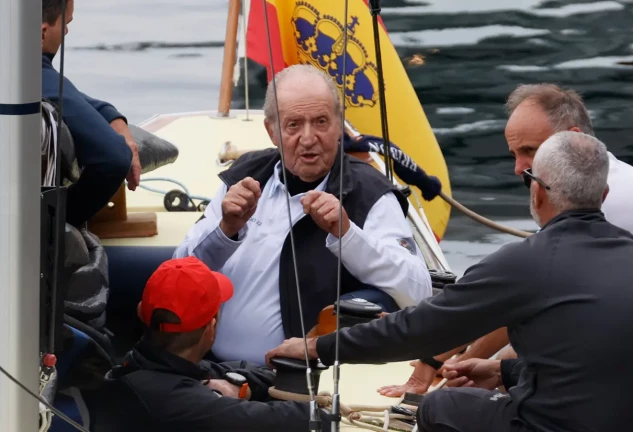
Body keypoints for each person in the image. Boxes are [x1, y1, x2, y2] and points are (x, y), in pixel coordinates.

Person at [266, 131, 633, 432]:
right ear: (602, 197)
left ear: (536, 192)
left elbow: (419, 330)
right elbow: (597, 364)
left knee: (441, 405)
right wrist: (505, 370)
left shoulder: (526, 262)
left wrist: (318, 348)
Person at [380, 82, 633, 397]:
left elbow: (512, 298)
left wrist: (445, 372)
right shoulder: (602, 185)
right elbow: (517, 295)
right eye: (515, 154)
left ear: (574, 138)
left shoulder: (607, 201)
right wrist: (445, 360)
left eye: (530, 151)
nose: (518, 169)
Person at [173, 64, 433, 366]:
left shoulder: (370, 193)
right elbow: (180, 271)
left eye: (321, 122)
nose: (308, 138)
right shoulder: (244, 177)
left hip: (300, 380)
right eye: (293, 125)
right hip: (208, 364)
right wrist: (225, 229)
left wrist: (348, 235)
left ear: (339, 126)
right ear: (272, 132)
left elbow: (418, 292)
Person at [95, 256, 334, 432]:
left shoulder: (148, 364)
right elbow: (299, 422)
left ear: (141, 312)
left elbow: (243, 369)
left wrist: (242, 387)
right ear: (211, 328)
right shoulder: (176, 402)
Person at [42, 0, 141, 227]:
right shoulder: (32, 75)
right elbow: (113, 158)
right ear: (42, 32)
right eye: (65, 24)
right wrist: (59, 222)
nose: (66, 32)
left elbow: (74, 97)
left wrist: (113, 118)